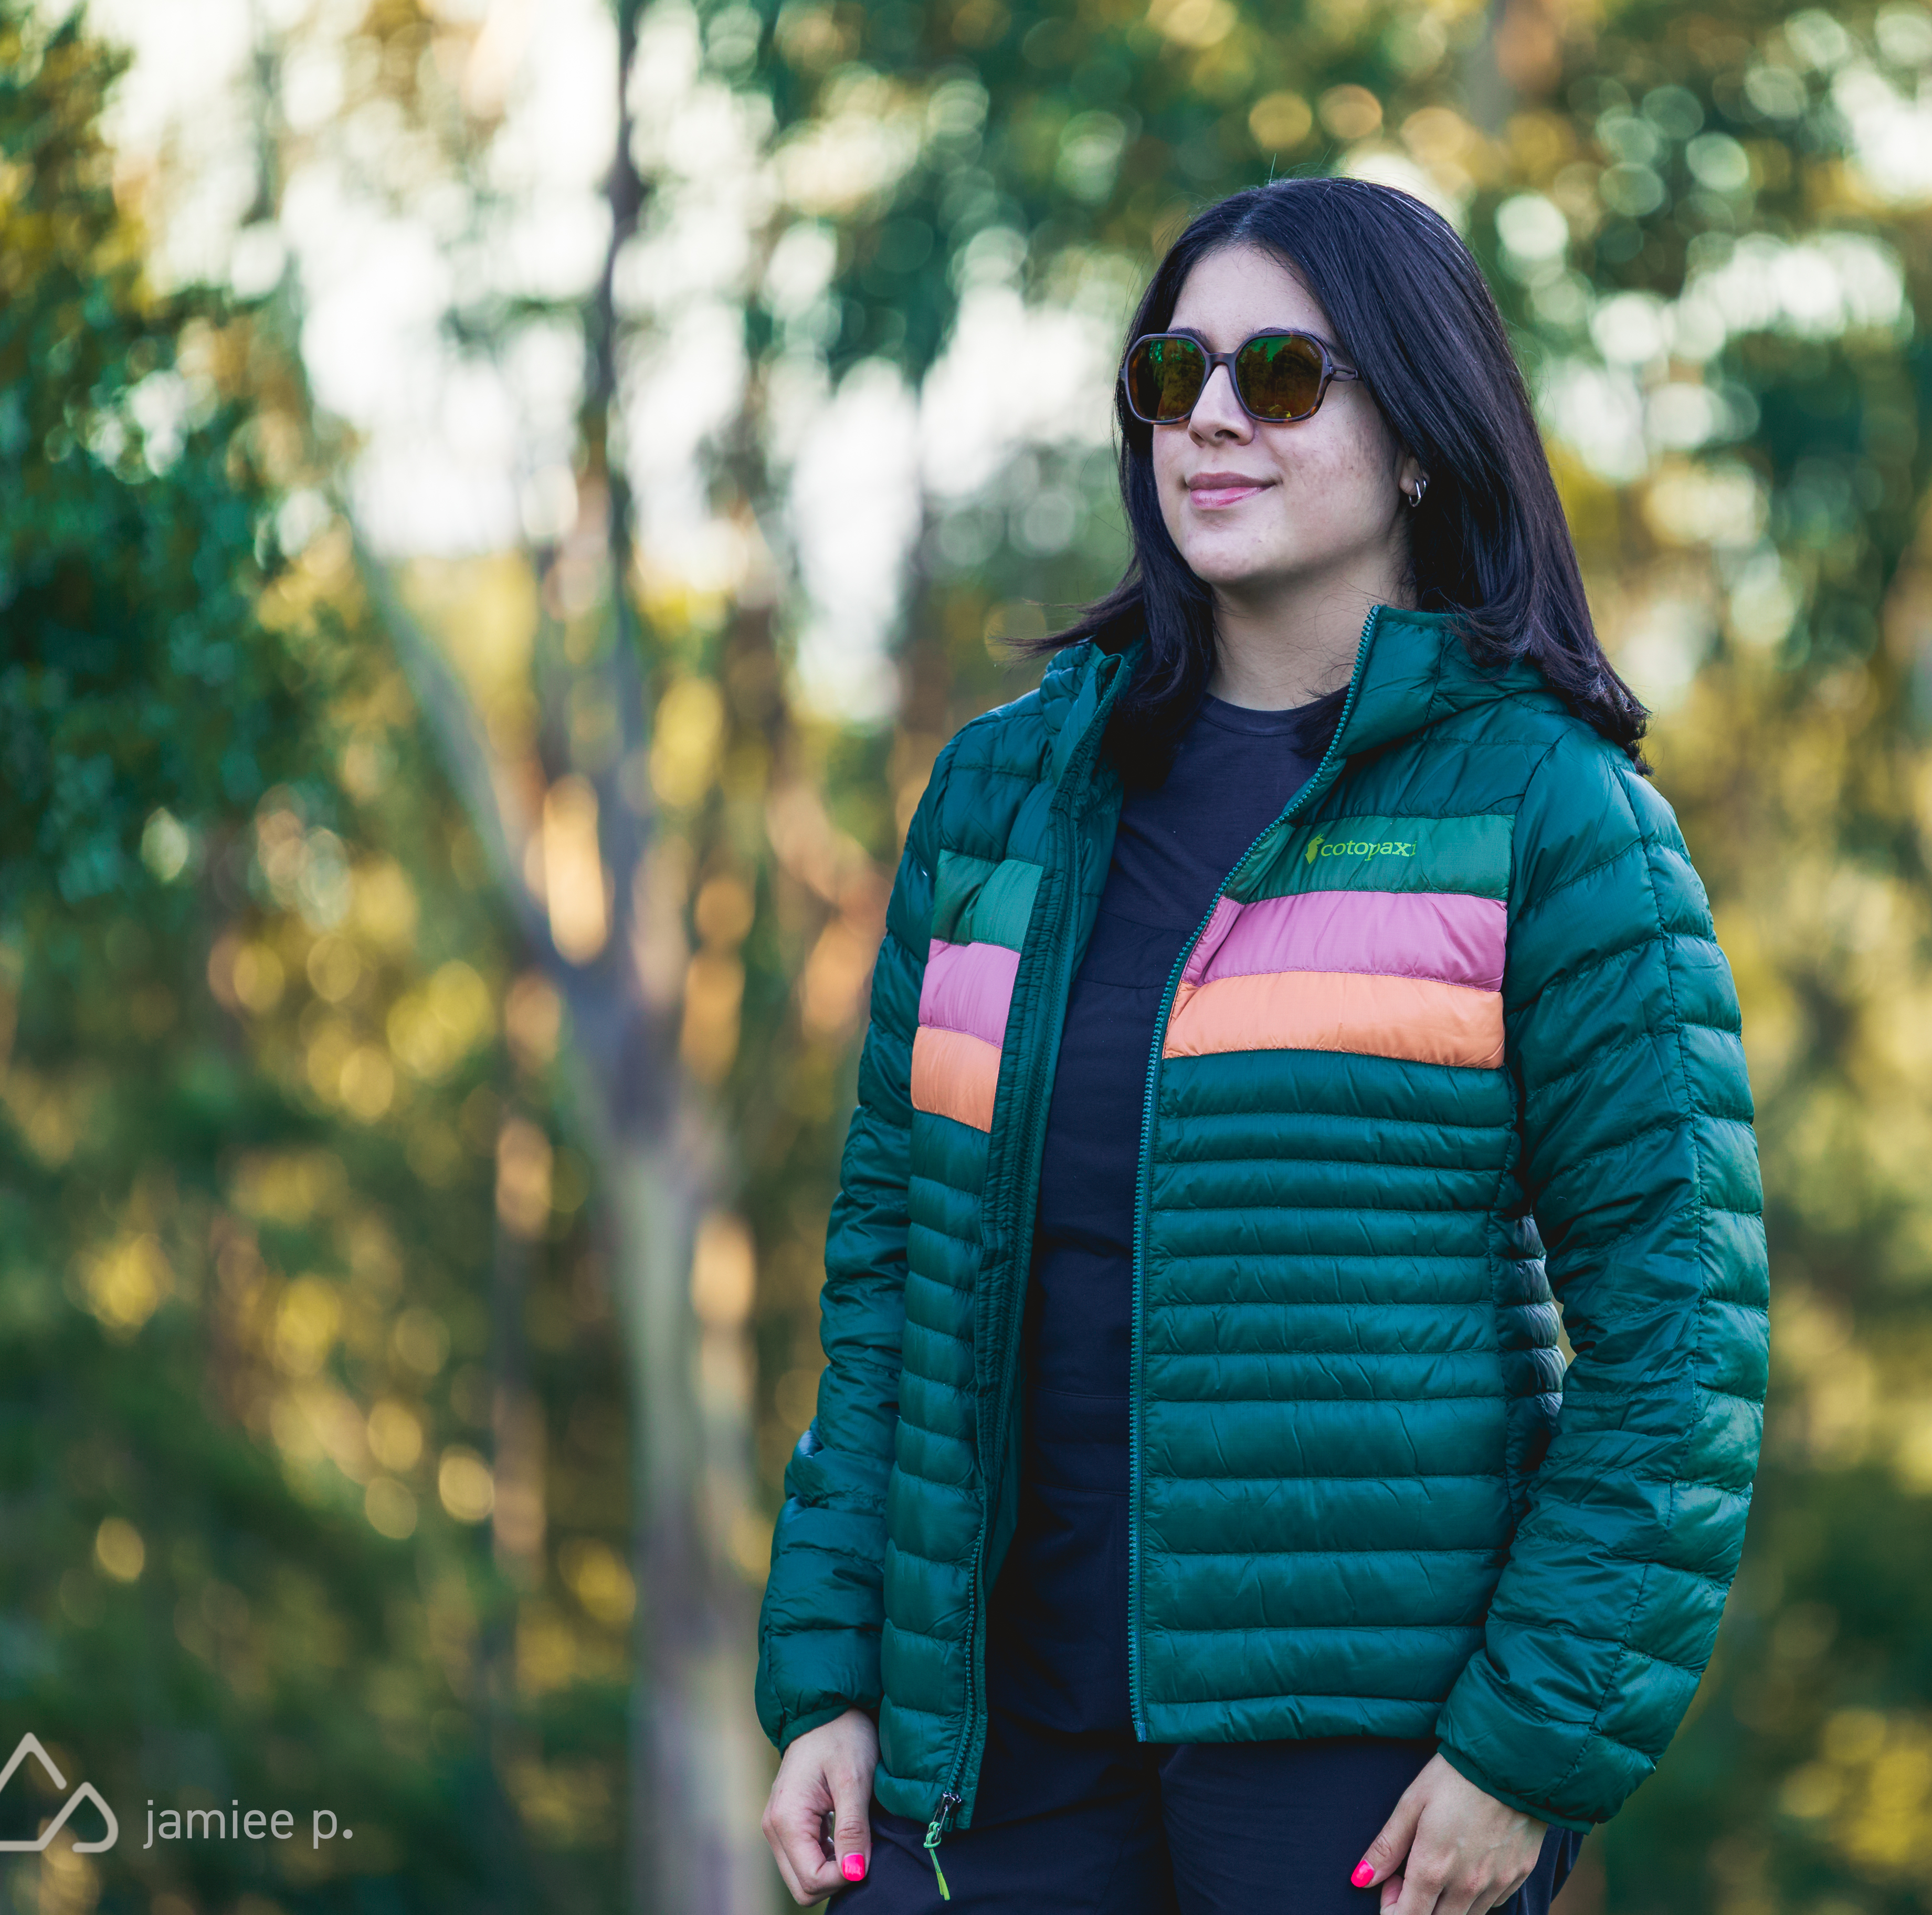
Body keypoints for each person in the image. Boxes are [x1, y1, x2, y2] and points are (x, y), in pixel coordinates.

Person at [754, 175, 1768, 1914]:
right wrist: (832, 1669)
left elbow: (1682, 1346)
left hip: (1362, 1759)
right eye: (1175, 374)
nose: (1212, 418)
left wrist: (1527, 1750)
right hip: (982, 1738)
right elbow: (891, 1275)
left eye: (1283, 375)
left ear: (1423, 439)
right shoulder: (999, 796)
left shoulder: (1551, 812)